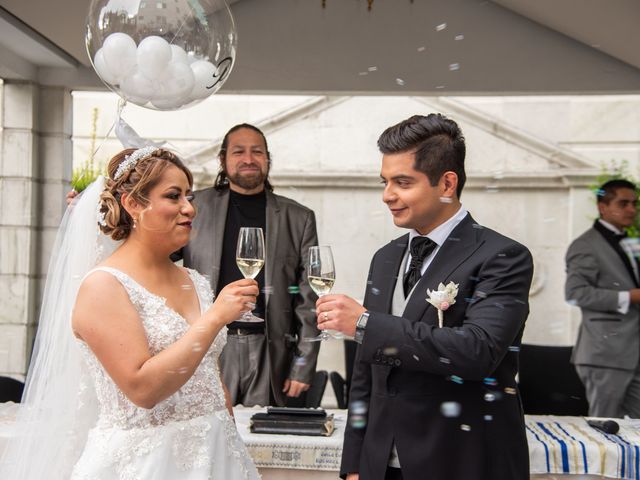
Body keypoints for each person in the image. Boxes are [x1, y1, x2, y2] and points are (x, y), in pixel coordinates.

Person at [0, 147, 261, 479]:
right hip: (146, 464)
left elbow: (211, 375)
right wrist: (215, 318)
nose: (189, 208)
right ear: (134, 204)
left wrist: (230, 444)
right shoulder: (104, 286)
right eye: (174, 196)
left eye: (189, 196)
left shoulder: (193, 281)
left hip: (218, 458)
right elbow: (142, 389)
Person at [315, 114, 533, 480]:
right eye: (385, 182)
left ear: (447, 183)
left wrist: (367, 323)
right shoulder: (385, 257)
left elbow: (477, 352)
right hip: (382, 463)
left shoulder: (502, 255)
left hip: (460, 459)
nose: (388, 195)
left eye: (402, 182)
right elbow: (367, 371)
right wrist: (355, 463)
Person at [179, 123, 320, 407]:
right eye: (238, 151)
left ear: (267, 159)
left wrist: (303, 363)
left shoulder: (299, 217)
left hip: (271, 352)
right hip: (207, 347)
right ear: (223, 160)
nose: (248, 159)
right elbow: (151, 256)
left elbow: (310, 297)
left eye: (257, 152)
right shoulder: (193, 208)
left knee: (262, 445)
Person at [565, 179, 640, 418]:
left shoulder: (630, 242)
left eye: (634, 203)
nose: (632, 209)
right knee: (605, 430)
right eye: (624, 203)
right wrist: (629, 296)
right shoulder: (585, 245)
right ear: (603, 207)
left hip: (632, 352)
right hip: (604, 354)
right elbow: (575, 294)